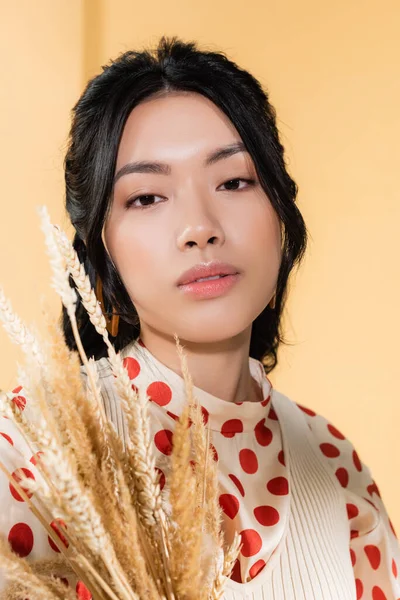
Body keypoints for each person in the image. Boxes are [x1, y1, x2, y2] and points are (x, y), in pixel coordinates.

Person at [1, 35, 399, 600]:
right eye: (147, 197)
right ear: (101, 246)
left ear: (280, 209)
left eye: (234, 182)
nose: (200, 226)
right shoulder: (32, 443)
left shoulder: (333, 462)